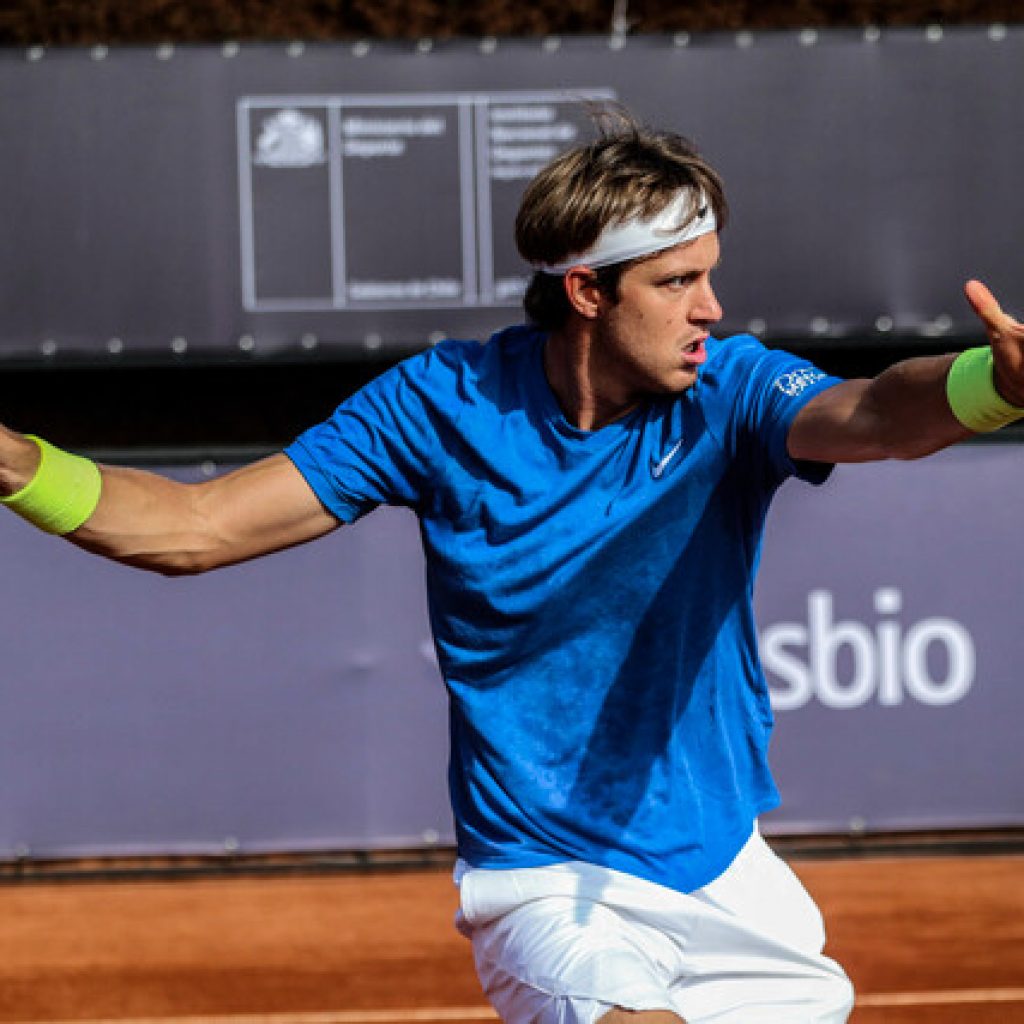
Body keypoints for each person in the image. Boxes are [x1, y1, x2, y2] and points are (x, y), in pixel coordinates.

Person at [2, 116, 1023, 1024]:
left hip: (723, 872)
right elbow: (194, 527)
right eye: (676, 283)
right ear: (585, 291)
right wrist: (14, 462)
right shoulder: (437, 404)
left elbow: (880, 413)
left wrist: (989, 382)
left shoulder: (731, 389)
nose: (709, 309)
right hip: (542, 879)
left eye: (709, 275)